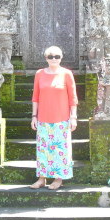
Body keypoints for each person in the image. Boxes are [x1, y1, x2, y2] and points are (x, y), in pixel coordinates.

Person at [30, 46, 78, 190]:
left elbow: (73, 98)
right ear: (46, 58)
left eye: (57, 56)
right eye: (50, 56)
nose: (54, 59)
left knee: (60, 151)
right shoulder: (39, 74)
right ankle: (42, 178)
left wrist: (73, 117)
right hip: (43, 119)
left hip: (62, 119)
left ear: (61, 57)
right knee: (43, 151)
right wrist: (34, 116)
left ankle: (58, 179)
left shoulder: (67, 74)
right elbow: (35, 97)